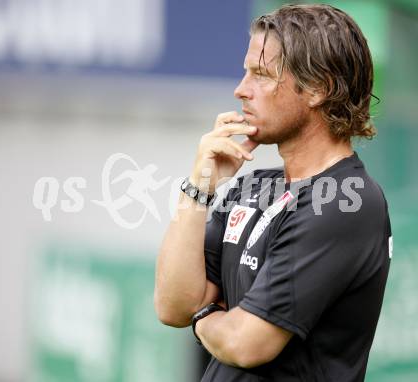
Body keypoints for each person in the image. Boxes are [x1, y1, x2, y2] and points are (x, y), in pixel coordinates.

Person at [154, 4, 391, 381]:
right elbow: (171, 305)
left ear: (318, 88)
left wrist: (203, 315)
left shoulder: (349, 202)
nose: (241, 90)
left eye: (261, 75)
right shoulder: (255, 185)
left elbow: (245, 343)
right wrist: (199, 189)